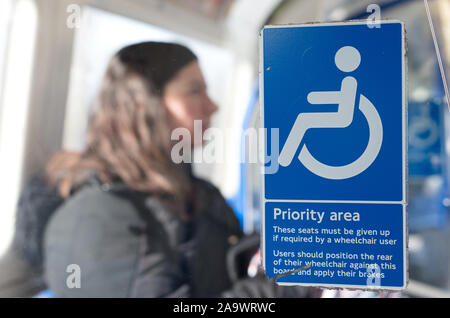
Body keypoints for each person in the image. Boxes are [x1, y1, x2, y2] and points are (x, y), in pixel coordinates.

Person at [38, 41, 310, 298]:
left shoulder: (199, 195)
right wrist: (286, 284)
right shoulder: (96, 219)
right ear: (145, 106)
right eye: (195, 91)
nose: (213, 106)